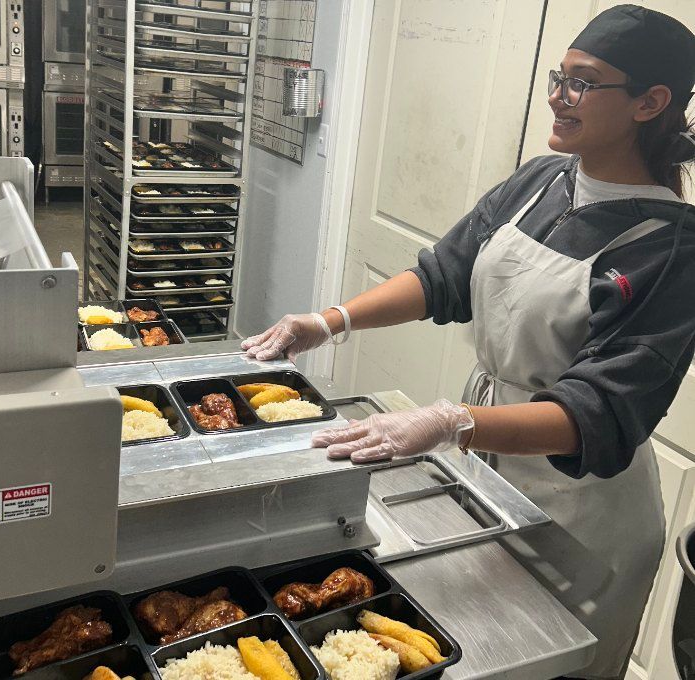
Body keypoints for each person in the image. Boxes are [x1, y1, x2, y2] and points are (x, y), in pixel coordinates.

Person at [242, 5, 695, 679]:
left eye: (583, 83)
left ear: (649, 102)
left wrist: (452, 423)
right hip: (486, 466)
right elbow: (443, 274)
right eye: (558, 77)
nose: (557, 97)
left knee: (546, 659)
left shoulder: (671, 246)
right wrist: (330, 320)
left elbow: (596, 413)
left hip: (582, 511)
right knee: (466, 646)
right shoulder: (541, 181)